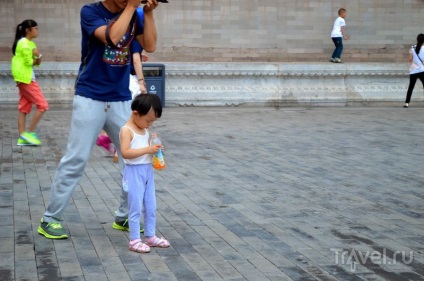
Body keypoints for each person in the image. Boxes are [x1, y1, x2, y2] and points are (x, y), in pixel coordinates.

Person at [38, 0, 160, 239]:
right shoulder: (91, 12)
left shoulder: (136, 13)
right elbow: (112, 38)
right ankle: (50, 219)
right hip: (90, 97)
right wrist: (131, 8)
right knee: (76, 159)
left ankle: (125, 216)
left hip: (121, 99)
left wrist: (147, 12)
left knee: (134, 161)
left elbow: (151, 46)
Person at [120, 94, 170, 253]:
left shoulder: (145, 129)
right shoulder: (126, 130)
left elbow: (147, 149)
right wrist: (148, 149)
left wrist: (156, 149)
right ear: (136, 113)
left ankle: (150, 236)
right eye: (148, 120)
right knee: (135, 207)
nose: (149, 124)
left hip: (148, 171)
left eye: (152, 121)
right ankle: (134, 240)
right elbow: (125, 153)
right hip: (134, 173)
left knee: (150, 206)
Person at [11, 19, 48, 146]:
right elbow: (29, 62)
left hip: (25, 78)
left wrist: (37, 57)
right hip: (25, 79)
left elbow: (37, 63)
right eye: (35, 28)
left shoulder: (31, 44)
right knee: (43, 106)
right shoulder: (24, 43)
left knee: (24, 108)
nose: (37, 31)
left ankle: (22, 137)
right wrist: (37, 57)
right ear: (28, 30)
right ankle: (29, 134)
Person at [404, 34, 424, 108]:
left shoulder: (412, 48)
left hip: (414, 70)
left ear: (417, 39)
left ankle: (406, 103)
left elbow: (410, 59)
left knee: (411, 87)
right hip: (422, 70)